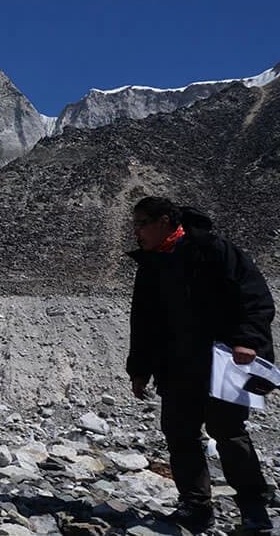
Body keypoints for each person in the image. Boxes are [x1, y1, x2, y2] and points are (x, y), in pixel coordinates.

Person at [126, 196, 276, 534]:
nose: (137, 232)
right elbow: (144, 322)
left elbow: (255, 298)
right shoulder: (151, 263)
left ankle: (254, 508)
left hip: (221, 363)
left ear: (164, 221)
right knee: (180, 435)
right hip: (175, 366)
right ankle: (195, 507)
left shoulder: (213, 250)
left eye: (142, 223)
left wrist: (248, 340)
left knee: (229, 433)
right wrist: (139, 369)